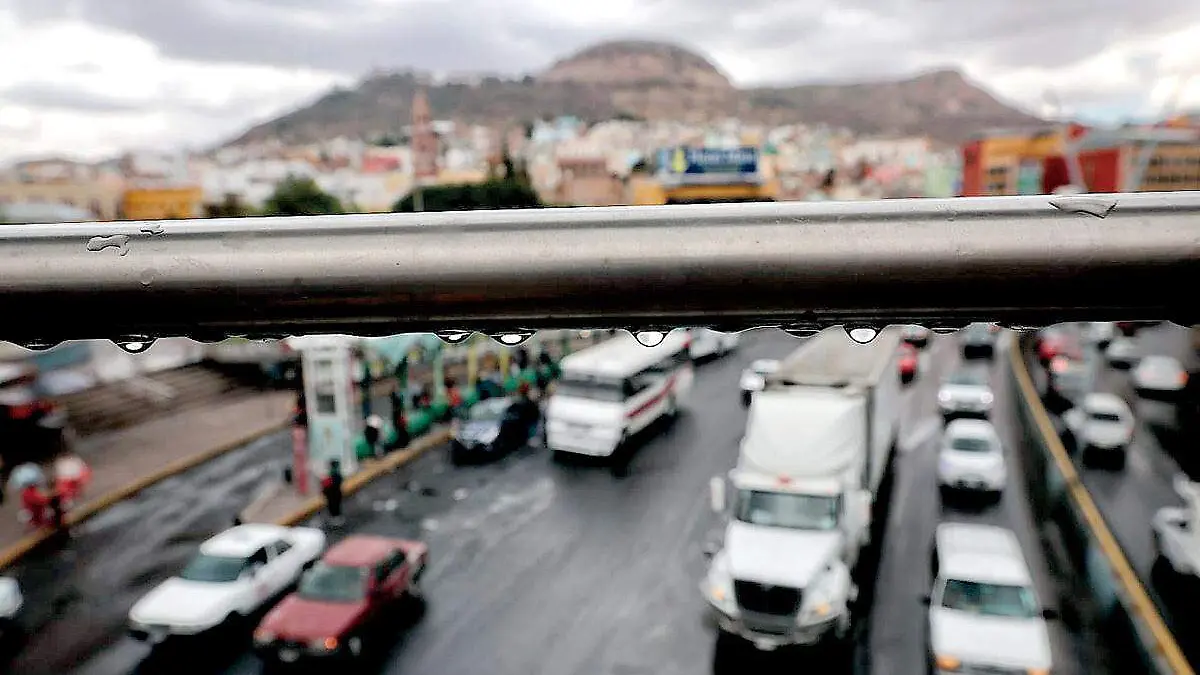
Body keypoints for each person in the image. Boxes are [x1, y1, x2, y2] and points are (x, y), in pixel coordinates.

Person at [321, 459, 344, 525]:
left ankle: (335, 517)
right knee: (336, 506)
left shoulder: (332, 475)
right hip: (335, 493)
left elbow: (327, 485)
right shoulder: (337, 474)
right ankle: (336, 517)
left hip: (332, 494)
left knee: (333, 506)